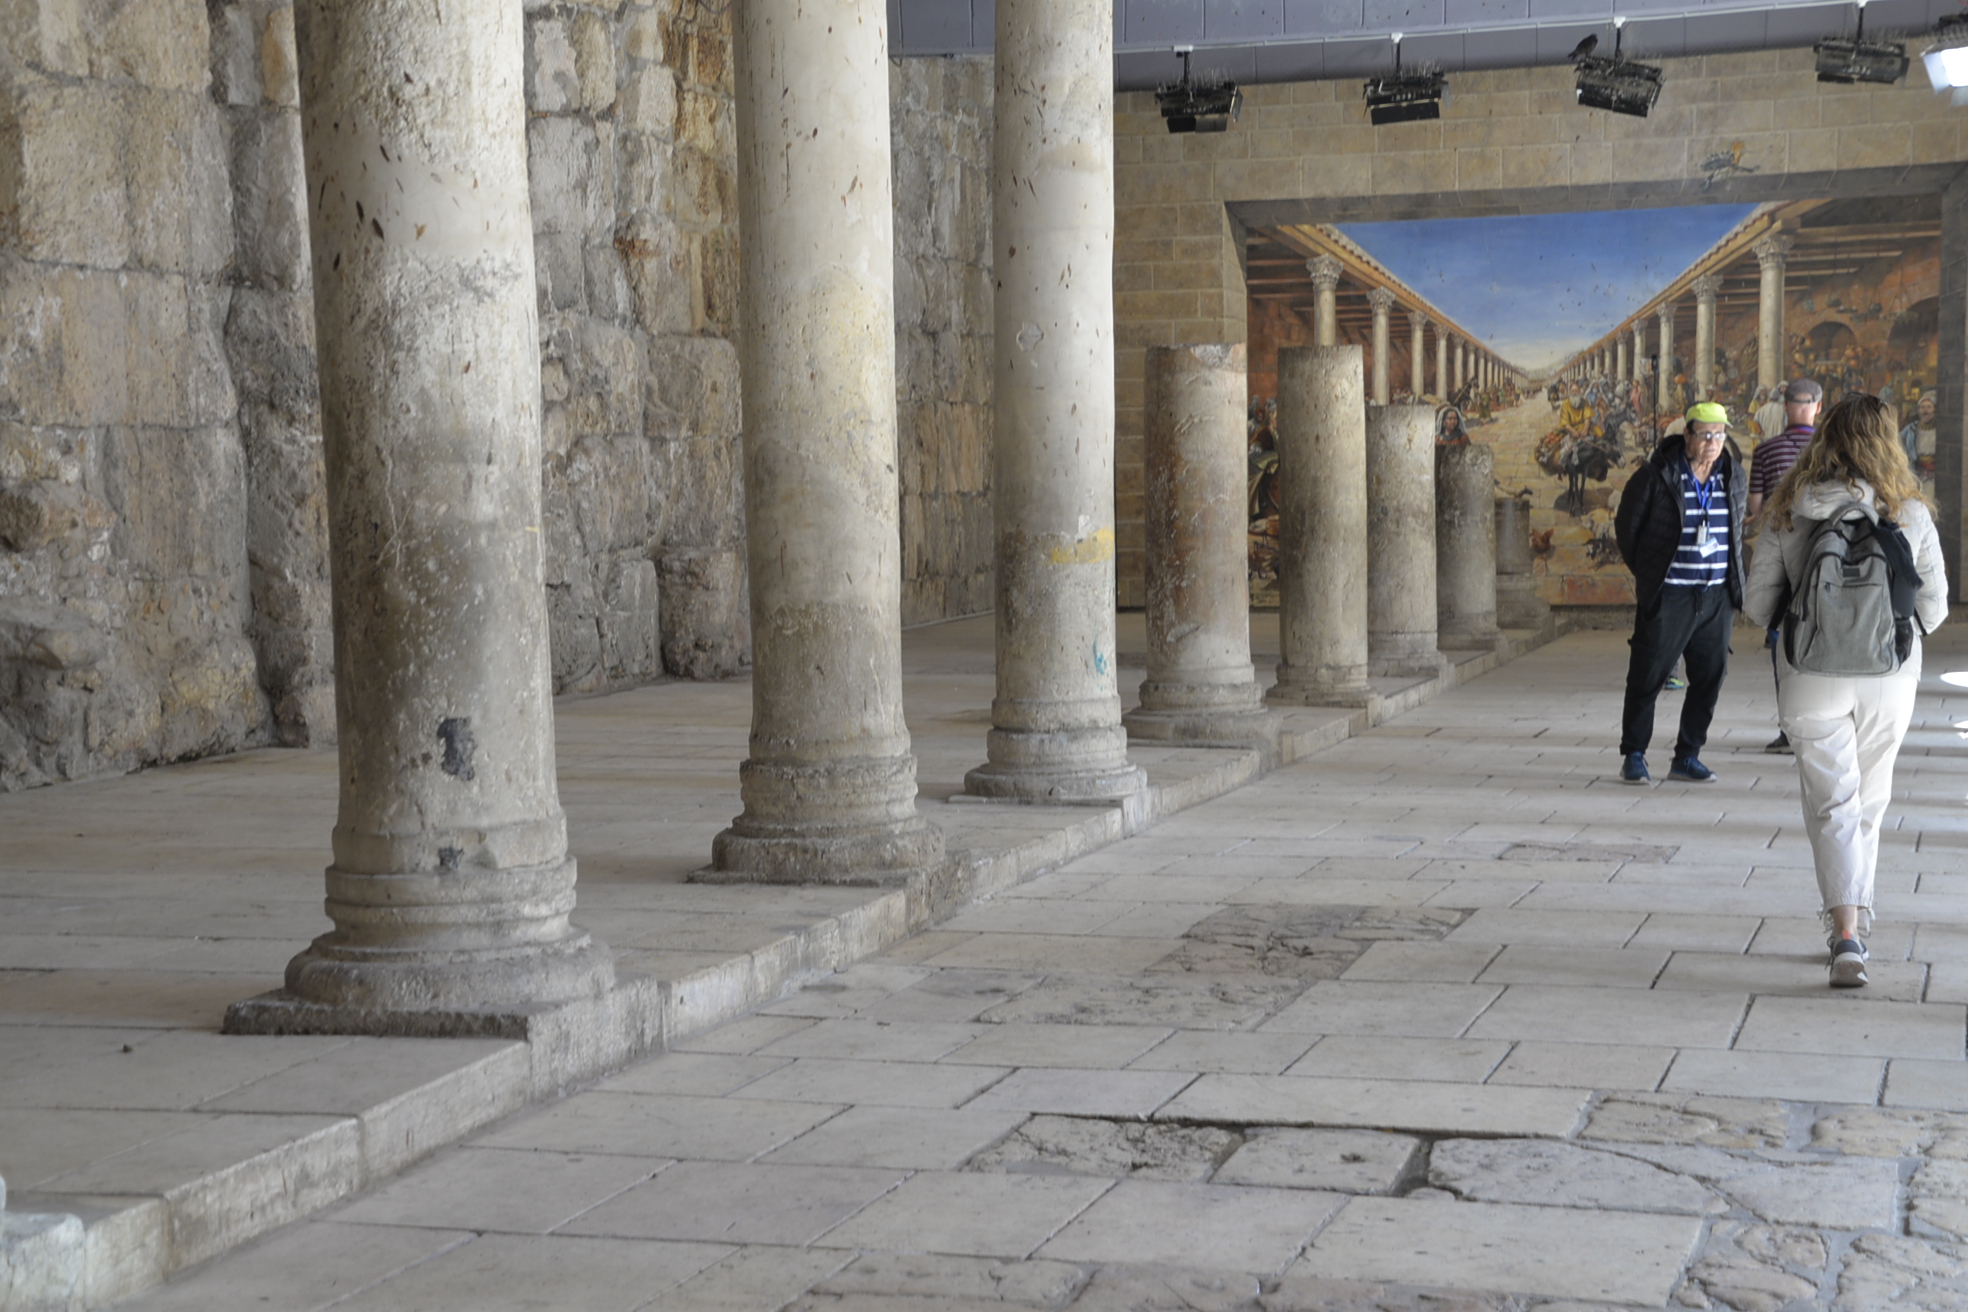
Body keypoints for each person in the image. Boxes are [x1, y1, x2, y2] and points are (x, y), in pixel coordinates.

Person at [1743, 394, 1948, 987]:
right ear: (1888, 442)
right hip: (1889, 679)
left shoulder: (1790, 508)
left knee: (1832, 805)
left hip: (1810, 679)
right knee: (1870, 804)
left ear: (1820, 438)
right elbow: (1932, 613)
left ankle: (1846, 934)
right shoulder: (1909, 512)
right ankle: (1856, 921)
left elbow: (1758, 607)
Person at [1612, 402, 1746, 786]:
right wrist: (1652, 573)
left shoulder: (1732, 475)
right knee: (1648, 675)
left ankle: (1687, 756)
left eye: (1719, 435)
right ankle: (1634, 754)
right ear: (1686, 435)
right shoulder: (1656, 476)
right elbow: (1628, 531)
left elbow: (1736, 530)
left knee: (1709, 678)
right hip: (1671, 594)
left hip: (1715, 595)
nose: (1712, 443)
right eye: (1704, 434)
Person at [1748, 378, 1823, 753]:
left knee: (1782, 641)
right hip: (1826, 558)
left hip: (1781, 556)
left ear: (1783, 407)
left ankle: (1789, 730)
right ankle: (1825, 724)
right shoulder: (1831, 450)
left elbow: (1756, 509)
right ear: (1818, 408)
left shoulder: (1767, 450)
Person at [1900, 392, 1937, 494]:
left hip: (1933, 475)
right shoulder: (1911, 429)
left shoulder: (1940, 431)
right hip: (1915, 472)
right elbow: (1897, 442)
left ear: (1935, 410)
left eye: (1929, 407)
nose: (1925, 410)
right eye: (1922, 407)